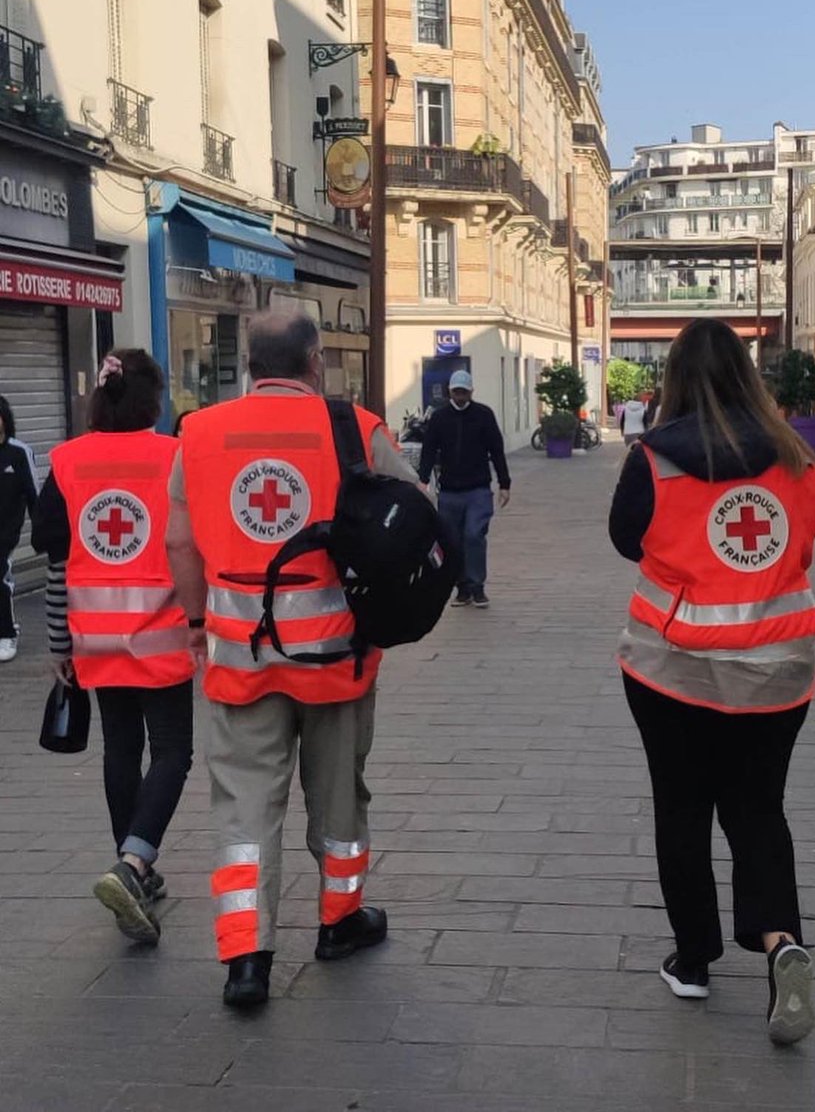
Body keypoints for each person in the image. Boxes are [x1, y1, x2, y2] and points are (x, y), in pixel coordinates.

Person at [165, 309, 418, 1009]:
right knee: (338, 796)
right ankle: (339, 923)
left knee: (244, 810)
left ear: (249, 366)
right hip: (335, 656)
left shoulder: (200, 432)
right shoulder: (356, 428)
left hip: (240, 658)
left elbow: (180, 542)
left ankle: (246, 959)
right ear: (314, 364)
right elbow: (414, 518)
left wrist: (193, 621)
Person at [609, 319, 815, 1046]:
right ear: (746, 373)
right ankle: (780, 943)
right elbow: (805, 544)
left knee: (682, 810)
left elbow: (623, 538)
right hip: (776, 670)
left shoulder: (654, 458)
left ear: (672, 378)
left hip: (673, 669)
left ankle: (693, 959)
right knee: (759, 811)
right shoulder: (796, 456)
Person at [31, 351, 195, 945]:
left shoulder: (67, 461)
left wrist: (60, 644)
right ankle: (133, 863)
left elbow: (55, 558)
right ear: (154, 400)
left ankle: (134, 874)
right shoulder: (176, 457)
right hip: (163, 632)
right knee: (173, 751)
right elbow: (192, 547)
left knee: (121, 750)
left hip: (93, 636)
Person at [416, 370, 510, 609]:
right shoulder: (439, 418)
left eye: (464, 392)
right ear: (450, 391)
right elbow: (429, 450)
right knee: (453, 541)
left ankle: (478, 587)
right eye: (456, 391)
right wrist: (422, 479)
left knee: (474, 535)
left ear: (471, 392)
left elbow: (497, 450)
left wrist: (504, 483)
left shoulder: (484, 415)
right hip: (449, 491)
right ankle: (462, 588)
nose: (460, 395)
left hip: (478, 489)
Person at [0, 395, 38, 662]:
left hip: (6, 530)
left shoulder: (18, 452)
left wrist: (42, 531)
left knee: (0, 577)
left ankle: (6, 634)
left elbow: (34, 493)